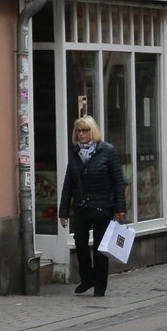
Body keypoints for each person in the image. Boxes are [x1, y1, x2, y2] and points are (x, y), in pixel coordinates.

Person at [58, 116, 127, 296]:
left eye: (85, 130)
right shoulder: (75, 154)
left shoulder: (107, 151)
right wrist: (63, 211)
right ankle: (87, 277)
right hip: (82, 207)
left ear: (92, 131)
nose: (81, 134)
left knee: (100, 248)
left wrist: (120, 208)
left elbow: (118, 182)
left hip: (103, 207)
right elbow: (68, 184)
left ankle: (100, 285)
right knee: (80, 242)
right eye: (79, 131)